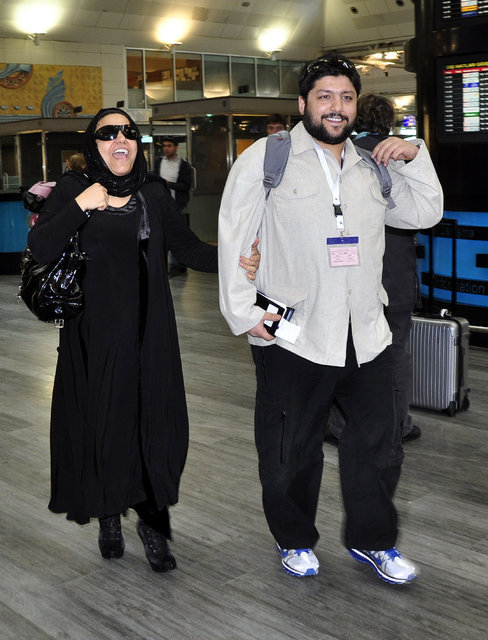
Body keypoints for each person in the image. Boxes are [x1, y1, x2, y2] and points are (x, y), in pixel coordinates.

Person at [218, 56, 443, 584]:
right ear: (303, 104)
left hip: (366, 332)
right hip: (294, 333)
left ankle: (374, 541)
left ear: (355, 105)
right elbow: (234, 234)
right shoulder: (267, 158)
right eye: (324, 96)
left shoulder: (371, 165)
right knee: (289, 452)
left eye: (345, 97)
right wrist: (244, 312)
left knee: (379, 447)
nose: (336, 107)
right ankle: (294, 538)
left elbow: (424, 212)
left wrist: (414, 156)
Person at [28, 108, 260, 573]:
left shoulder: (152, 192)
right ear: (94, 144)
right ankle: (109, 515)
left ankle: (153, 524)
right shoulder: (74, 188)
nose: (121, 139)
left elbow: (187, 248)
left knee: (153, 428)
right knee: (104, 424)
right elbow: (41, 247)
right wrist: (81, 206)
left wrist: (238, 260)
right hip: (94, 336)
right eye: (108, 133)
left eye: (129, 132)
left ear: (138, 143)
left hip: (151, 335)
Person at [326, 93, 421, 446]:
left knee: (347, 350)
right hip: (397, 275)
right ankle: (398, 425)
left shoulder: (342, 155)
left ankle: (342, 426)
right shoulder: (406, 157)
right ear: (390, 120)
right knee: (395, 353)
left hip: (353, 275)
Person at [153, 137, 192, 276]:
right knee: (161, 235)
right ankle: (162, 264)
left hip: (177, 205)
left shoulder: (183, 165)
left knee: (177, 235)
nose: (166, 148)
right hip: (161, 205)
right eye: (164, 146)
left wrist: (169, 184)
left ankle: (178, 265)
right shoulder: (159, 162)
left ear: (176, 147)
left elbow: (186, 185)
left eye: (169, 146)